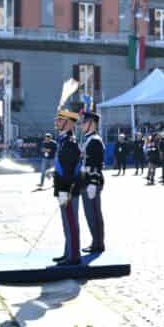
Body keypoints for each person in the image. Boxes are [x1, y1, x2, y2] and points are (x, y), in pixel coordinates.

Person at [52, 108, 82, 266]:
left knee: (71, 222)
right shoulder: (63, 141)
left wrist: (65, 189)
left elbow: (70, 171)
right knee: (66, 222)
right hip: (63, 189)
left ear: (68, 123)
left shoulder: (70, 143)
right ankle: (68, 252)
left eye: (59, 120)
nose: (56, 122)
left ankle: (74, 255)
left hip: (68, 190)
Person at [79, 111, 106, 254]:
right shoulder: (88, 139)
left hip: (92, 182)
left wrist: (93, 183)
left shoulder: (95, 140)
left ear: (92, 124)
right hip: (86, 181)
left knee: (94, 213)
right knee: (90, 214)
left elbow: (97, 164)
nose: (81, 125)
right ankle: (95, 241)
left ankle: (98, 243)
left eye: (84, 122)